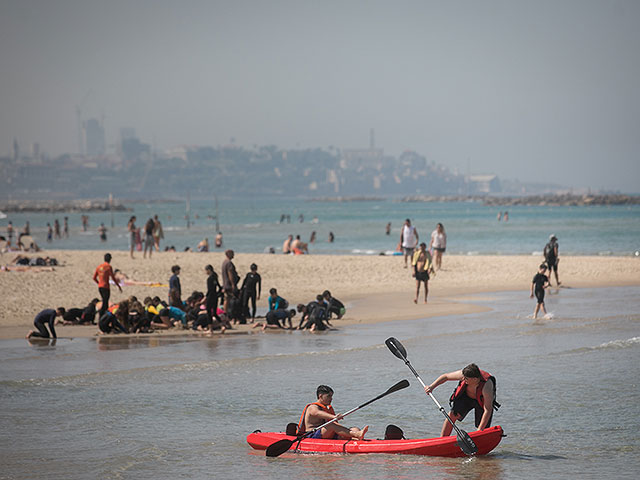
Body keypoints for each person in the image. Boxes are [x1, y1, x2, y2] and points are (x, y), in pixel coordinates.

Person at [424, 363, 499, 437]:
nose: (463, 379)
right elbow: (445, 376)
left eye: (466, 378)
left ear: (475, 379)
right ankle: (443, 439)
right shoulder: (464, 375)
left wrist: (479, 431)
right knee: (452, 415)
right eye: (464, 377)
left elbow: (487, 410)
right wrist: (431, 387)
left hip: (481, 402)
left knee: (483, 428)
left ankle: (479, 439)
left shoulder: (487, 386)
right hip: (466, 398)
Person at [297, 385, 368, 439]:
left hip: (326, 433)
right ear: (320, 396)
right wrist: (334, 417)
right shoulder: (312, 407)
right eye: (329, 396)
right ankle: (357, 435)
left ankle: (356, 435)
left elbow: (335, 424)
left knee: (354, 429)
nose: (331, 399)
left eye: (331, 396)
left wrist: (348, 431)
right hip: (312, 435)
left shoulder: (328, 408)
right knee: (331, 426)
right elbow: (316, 413)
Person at [93, 253, 122, 319]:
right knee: (105, 303)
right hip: (106, 287)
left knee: (104, 301)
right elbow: (113, 277)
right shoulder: (108, 267)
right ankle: (102, 316)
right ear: (110, 259)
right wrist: (118, 286)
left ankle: (102, 316)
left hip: (100, 287)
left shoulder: (99, 267)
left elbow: (94, 278)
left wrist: (99, 283)